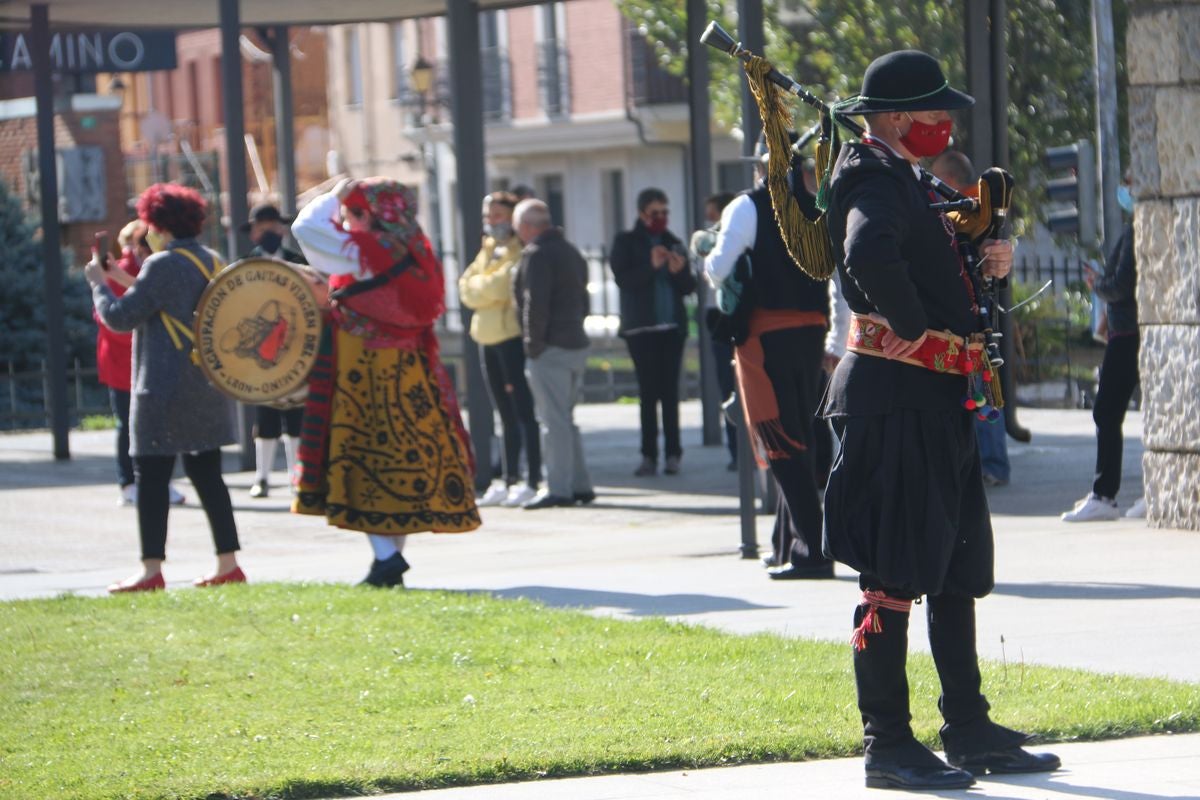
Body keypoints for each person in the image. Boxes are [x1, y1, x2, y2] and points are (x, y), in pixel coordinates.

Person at [821, 50, 1060, 790]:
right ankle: (887, 743)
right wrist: (915, 324)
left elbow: (929, 251)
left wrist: (981, 252)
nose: (947, 123)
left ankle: (968, 727)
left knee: (954, 567)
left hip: (936, 400)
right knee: (892, 574)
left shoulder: (910, 179)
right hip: (895, 398)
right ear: (896, 119)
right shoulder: (869, 174)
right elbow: (867, 250)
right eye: (935, 112)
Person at [290, 178, 480, 587]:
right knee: (403, 465)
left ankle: (385, 558)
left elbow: (304, 229)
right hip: (411, 368)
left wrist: (334, 195)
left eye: (351, 213)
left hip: (365, 366)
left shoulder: (365, 252)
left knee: (359, 459)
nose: (344, 219)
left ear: (368, 214)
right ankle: (386, 561)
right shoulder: (417, 250)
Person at [84, 184, 245, 593]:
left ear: (158, 223)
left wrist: (98, 286)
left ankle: (151, 570)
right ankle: (228, 564)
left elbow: (121, 317)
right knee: (208, 473)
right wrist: (119, 275)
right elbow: (167, 301)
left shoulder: (161, 265)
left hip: (162, 386)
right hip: (205, 383)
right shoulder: (210, 259)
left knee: (151, 475)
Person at [704, 132, 834, 581]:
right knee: (803, 438)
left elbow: (719, 268)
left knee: (780, 442)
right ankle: (788, 543)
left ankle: (812, 552)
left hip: (767, 336)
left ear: (761, 168)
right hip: (813, 333)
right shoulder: (817, 207)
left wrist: (707, 258)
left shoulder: (747, 206)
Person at [930, 150, 1011, 488]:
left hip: (966, 325)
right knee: (983, 397)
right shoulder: (981, 207)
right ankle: (991, 464)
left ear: (947, 180)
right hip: (976, 321)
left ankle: (990, 465)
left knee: (980, 396)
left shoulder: (964, 209)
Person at [1062, 184, 1141, 521]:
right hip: (1129, 329)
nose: (1126, 190)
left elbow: (1124, 283)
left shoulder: (1136, 230)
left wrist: (1099, 286)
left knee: (1106, 410)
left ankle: (1104, 494)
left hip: (1128, 333)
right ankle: (1112, 492)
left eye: (1131, 183)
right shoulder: (1137, 228)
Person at [95, 220, 187, 508]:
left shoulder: (155, 270)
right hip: (124, 364)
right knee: (128, 425)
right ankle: (128, 482)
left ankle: (164, 481)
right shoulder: (119, 271)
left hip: (157, 362)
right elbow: (113, 320)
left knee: (164, 423)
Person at [512, 199, 595, 510]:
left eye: (519, 227)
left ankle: (559, 488)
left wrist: (533, 345)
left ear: (529, 227)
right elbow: (583, 301)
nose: (518, 233)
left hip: (551, 348)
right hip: (575, 342)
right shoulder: (570, 251)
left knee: (553, 421)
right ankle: (579, 484)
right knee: (565, 419)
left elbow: (536, 304)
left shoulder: (538, 254)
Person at [459, 192, 541, 508]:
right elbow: (466, 287)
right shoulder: (488, 248)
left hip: (510, 339)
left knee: (522, 412)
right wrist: (486, 287)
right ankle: (507, 479)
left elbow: (501, 287)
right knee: (502, 414)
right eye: (487, 216)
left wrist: (485, 287)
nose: (491, 222)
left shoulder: (519, 250)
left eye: (498, 215)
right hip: (486, 337)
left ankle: (531, 477)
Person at [611, 188, 697, 476]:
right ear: (642, 214)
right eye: (654, 213)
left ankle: (673, 454)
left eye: (664, 212)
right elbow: (623, 280)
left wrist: (678, 270)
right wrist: (651, 265)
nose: (660, 218)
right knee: (648, 393)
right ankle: (649, 455)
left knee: (670, 392)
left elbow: (688, 287)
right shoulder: (625, 242)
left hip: (671, 329)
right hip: (641, 330)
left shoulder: (674, 242)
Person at [240, 203, 309, 498]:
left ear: (281, 228)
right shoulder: (245, 267)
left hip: (293, 348)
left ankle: (297, 476)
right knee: (265, 415)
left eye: (273, 225)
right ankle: (262, 477)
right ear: (254, 231)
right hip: (260, 352)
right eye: (262, 226)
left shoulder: (299, 262)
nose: (268, 231)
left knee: (296, 415)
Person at [692, 192, 738, 470]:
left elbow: (715, 271)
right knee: (727, 385)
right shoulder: (706, 239)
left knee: (737, 383)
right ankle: (736, 451)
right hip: (716, 315)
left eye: (712, 213)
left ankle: (748, 450)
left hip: (732, 313)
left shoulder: (739, 232)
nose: (709, 220)